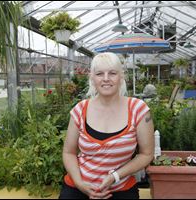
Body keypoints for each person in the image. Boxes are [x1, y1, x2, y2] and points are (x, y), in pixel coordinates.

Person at [59, 52, 155, 199]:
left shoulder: (138, 109)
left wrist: (114, 176)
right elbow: (69, 153)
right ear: (92, 77)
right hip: (78, 187)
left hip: (120, 187)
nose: (106, 79)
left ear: (121, 76)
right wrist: (80, 184)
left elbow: (146, 154)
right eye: (99, 74)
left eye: (112, 73)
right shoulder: (80, 110)